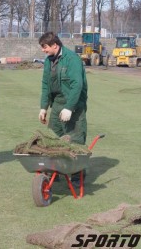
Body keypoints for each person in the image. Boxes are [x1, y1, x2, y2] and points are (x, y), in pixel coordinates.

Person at [38, 31, 88, 185]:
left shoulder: (72, 59)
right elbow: (46, 85)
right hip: (57, 104)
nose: (43, 50)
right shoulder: (49, 61)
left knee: (75, 140)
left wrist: (69, 108)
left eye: (44, 47)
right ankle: (56, 171)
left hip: (74, 104)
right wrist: (44, 107)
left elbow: (77, 85)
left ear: (55, 45)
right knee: (54, 138)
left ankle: (76, 176)